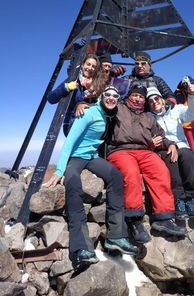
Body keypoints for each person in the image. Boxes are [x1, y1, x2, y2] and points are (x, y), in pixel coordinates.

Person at [44, 86, 138, 272]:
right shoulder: (89, 113)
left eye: (114, 95)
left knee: (115, 176)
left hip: (92, 157)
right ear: (102, 97)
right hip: (76, 158)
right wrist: (60, 169)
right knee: (73, 184)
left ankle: (115, 236)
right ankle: (81, 249)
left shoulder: (111, 114)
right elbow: (70, 140)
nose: (111, 98)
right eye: (108, 95)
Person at [106, 84, 187, 244]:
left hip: (144, 151)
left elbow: (159, 135)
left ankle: (163, 218)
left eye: (141, 97)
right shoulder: (118, 109)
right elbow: (103, 105)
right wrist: (83, 104)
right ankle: (135, 221)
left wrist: (170, 143)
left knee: (161, 171)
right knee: (131, 174)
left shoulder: (148, 117)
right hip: (120, 150)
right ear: (128, 96)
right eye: (134, 95)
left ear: (144, 101)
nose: (137, 98)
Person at [147, 84, 194, 220]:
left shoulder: (176, 110)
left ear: (162, 99)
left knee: (188, 157)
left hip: (181, 144)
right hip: (163, 148)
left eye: (156, 98)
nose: (155, 102)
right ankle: (179, 201)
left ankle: (190, 198)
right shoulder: (149, 118)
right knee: (171, 162)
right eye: (151, 101)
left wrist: (193, 96)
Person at [47, 53, 106, 135]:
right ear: (82, 65)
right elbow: (51, 99)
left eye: (93, 66)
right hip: (72, 123)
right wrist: (66, 87)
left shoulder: (97, 85)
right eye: (88, 64)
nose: (90, 68)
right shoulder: (73, 79)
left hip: (90, 122)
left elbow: (100, 105)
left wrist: (87, 103)